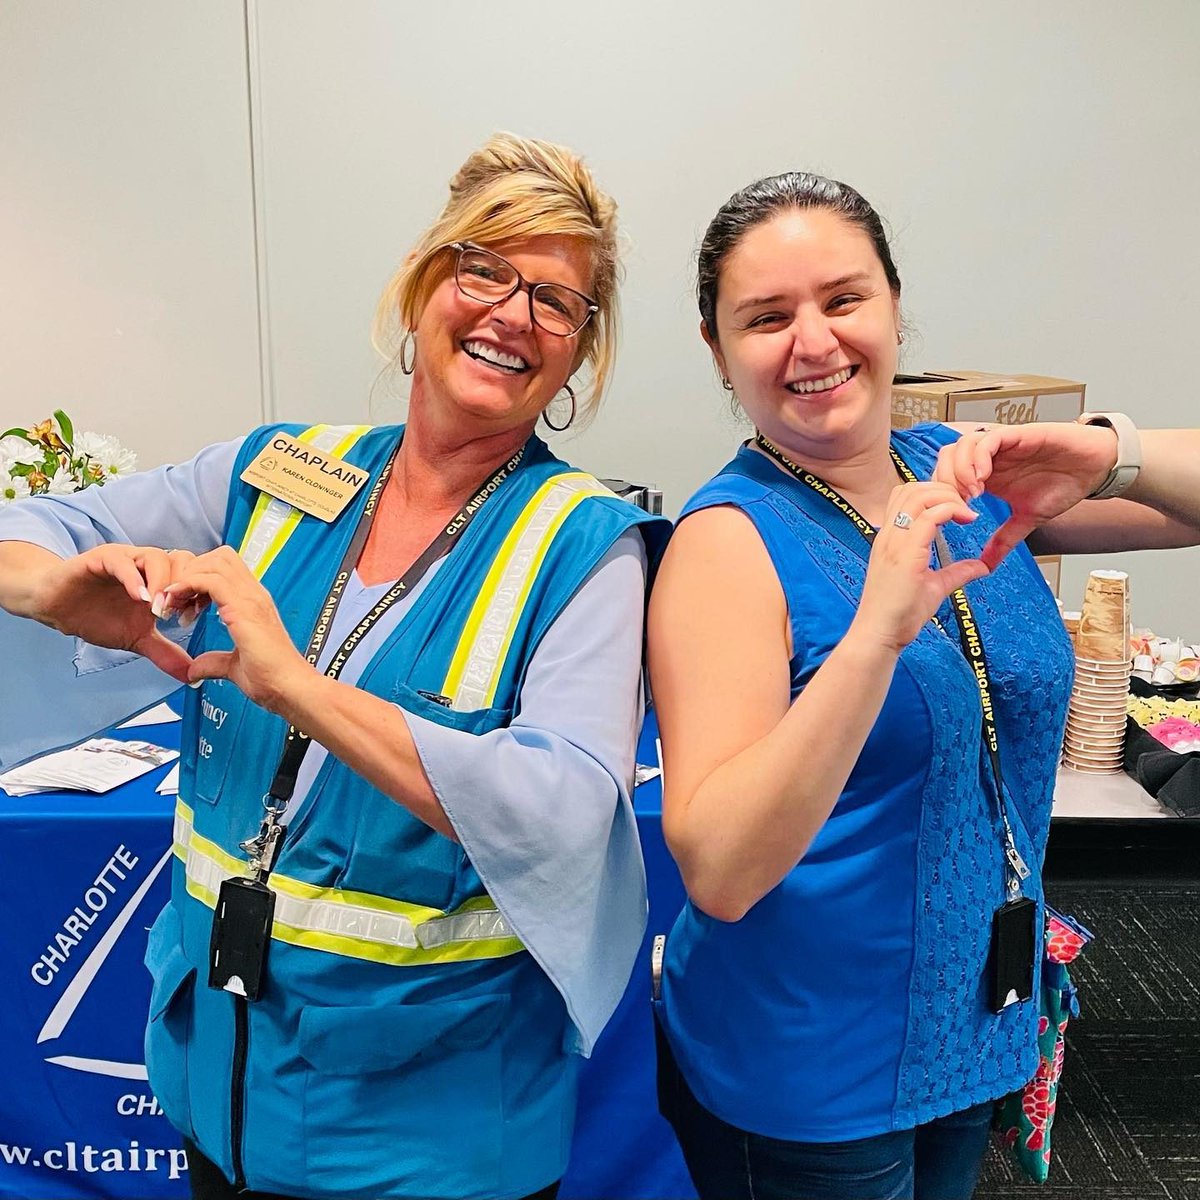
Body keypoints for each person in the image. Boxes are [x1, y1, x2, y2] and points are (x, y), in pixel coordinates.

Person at [0, 133, 668, 1200]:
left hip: (429, 1141)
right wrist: (51, 587)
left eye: (556, 300)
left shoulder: (589, 545)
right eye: (481, 268)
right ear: (420, 289)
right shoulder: (279, 471)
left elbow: (567, 809)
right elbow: (30, 526)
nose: (510, 314)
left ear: (578, 357)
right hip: (218, 1089)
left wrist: (299, 687)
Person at [646, 170, 1200, 1200]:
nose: (813, 342)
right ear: (721, 353)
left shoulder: (960, 472)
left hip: (976, 1019)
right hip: (810, 1069)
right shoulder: (726, 544)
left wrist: (1102, 450)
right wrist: (872, 638)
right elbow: (719, 870)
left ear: (897, 307)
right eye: (767, 318)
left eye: (843, 299)